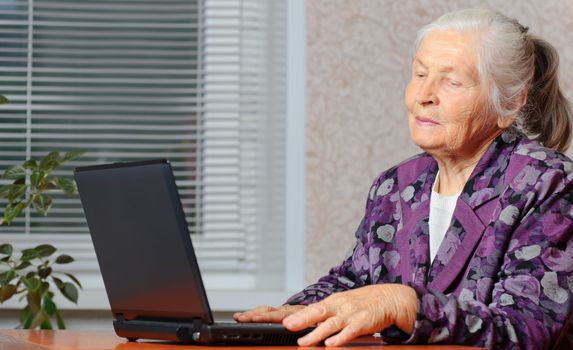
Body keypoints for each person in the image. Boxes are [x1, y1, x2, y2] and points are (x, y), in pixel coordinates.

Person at [234, 8, 573, 349]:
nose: (424, 95)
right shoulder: (396, 186)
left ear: (510, 104)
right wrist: (297, 313)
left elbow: (530, 327)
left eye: (452, 82)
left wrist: (406, 304)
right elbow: (356, 281)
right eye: (420, 74)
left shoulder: (549, 184)